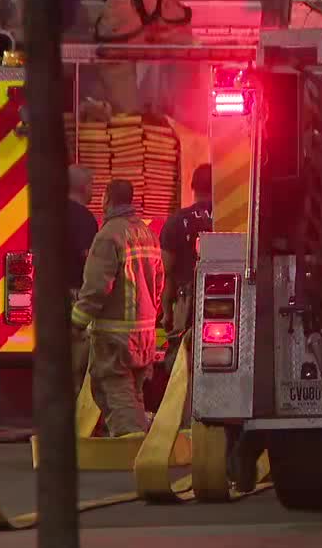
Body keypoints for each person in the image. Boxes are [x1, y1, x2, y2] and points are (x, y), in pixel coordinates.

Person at [71, 179, 165, 436]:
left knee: (116, 390)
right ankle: (139, 445)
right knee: (132, 393)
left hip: (116, 336)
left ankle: (130, 444)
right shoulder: (148, 234)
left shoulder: (108, 236)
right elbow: (158, 283)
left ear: (106, 199)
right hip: (144, 334)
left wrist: (77, 322)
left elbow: (96, 288)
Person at [159, 163, 213, 367]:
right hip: (227, 299)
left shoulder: (177, 221)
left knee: (180, 363)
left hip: (187, 303)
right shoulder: (232, 218)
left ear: (192, 186)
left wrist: (166, 312)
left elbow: (167, 270)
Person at [66, 165, 100, 290]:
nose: (93, 191)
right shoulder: (84, 218)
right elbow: (89, 258)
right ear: (84, 187)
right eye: (92, 185)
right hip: (74, 291)